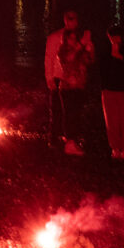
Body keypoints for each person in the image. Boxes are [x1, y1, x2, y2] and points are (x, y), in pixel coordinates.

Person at [44, 10, 86, 146]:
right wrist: (49, 78)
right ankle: (54, 137)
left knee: (74, 111)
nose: (71, 21)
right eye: (68, 18)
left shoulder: (80, 38)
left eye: (73, 18)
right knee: (56, 110)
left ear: (77, 21)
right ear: (64, 20)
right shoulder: (55, 37)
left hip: (76, 79)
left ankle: (71, 138)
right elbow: (49, 58)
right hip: (59, 76)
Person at [99, 25, 124, 161]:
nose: (114, 40)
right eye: (112, 37)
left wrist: (119, 57)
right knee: (112, 121)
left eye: (116, 37)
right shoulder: (105, 51)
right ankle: (115, 148)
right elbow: (101, 70)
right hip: (110, 90)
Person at [58, 27, 95, 156]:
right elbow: (69, 58)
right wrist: (81, 44)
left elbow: (89, 62)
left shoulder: (79, 50)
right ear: (66, 39)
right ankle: (69, 142)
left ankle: (73, 141)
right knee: (70, 115)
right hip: (68, 87)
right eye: (71, 38)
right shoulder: (63, 50)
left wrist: (90, 49)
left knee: (77, 115)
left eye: (75, 38)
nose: (74, 41)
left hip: (79, 87)